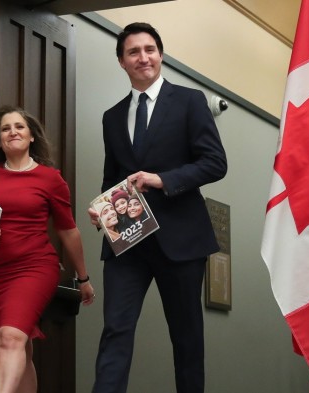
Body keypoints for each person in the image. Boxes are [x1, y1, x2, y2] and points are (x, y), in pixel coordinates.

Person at [87, 22, 227, 393]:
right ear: (122, 61)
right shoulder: (111, 117)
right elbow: (111, 178)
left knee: (186, 337)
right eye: (133, 52)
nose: (143, 57)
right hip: (126, 242)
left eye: (149, 49)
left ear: (160, 55)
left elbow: (215, 163)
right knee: (115, 330)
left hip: (181, 240)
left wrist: (162, 179)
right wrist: (102, 208)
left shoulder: (190, 101)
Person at [0, 105, 95, 393]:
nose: (13, 132)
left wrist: (83, 278)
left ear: (31, 135)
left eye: (19, 126)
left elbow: (68, 230)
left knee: (9, 339)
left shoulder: (50, 179)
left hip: (34, 268)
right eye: (5, 129)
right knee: (21, 347)